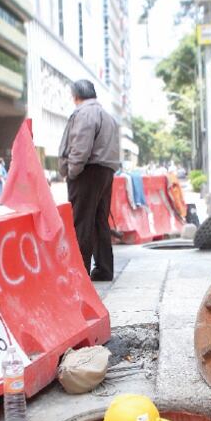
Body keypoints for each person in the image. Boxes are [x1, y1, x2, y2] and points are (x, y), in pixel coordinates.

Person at [58, 78, 121, 281]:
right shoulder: (108, 116)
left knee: (82, 221)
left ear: (76, 96)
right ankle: (104, 268)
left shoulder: (84, 113)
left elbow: (80, 147)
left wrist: (72, 172)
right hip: (105, 171)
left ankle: (80, 272)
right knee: (99, 220)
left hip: (88, 171)